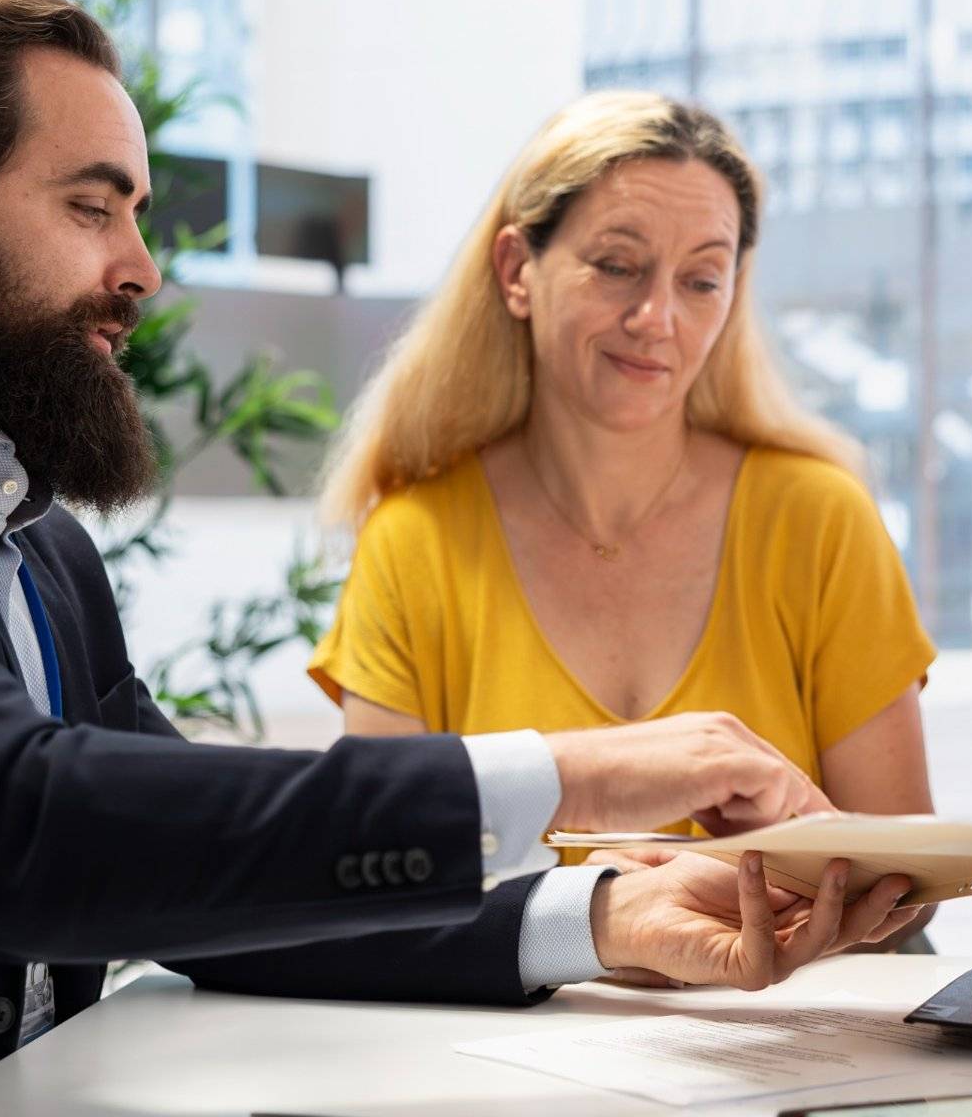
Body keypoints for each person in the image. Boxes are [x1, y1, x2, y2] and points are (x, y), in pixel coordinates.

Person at [0, 0, 914, 1116]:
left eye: (136, 217)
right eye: (93, 207)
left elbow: (201, 875)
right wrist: (571, 775)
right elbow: (18, 818)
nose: (141, 268)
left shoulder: (39, 550)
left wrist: (598, 914)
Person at [310, 91, 938, 948]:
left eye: (702, 280)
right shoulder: (416, 538)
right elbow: (373, 872)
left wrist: (768, 895)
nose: (658, 320)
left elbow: (912, 888)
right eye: (617, 265)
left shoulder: (819, 519)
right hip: (504, 1041)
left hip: (790, 1037)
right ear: (515, 271)